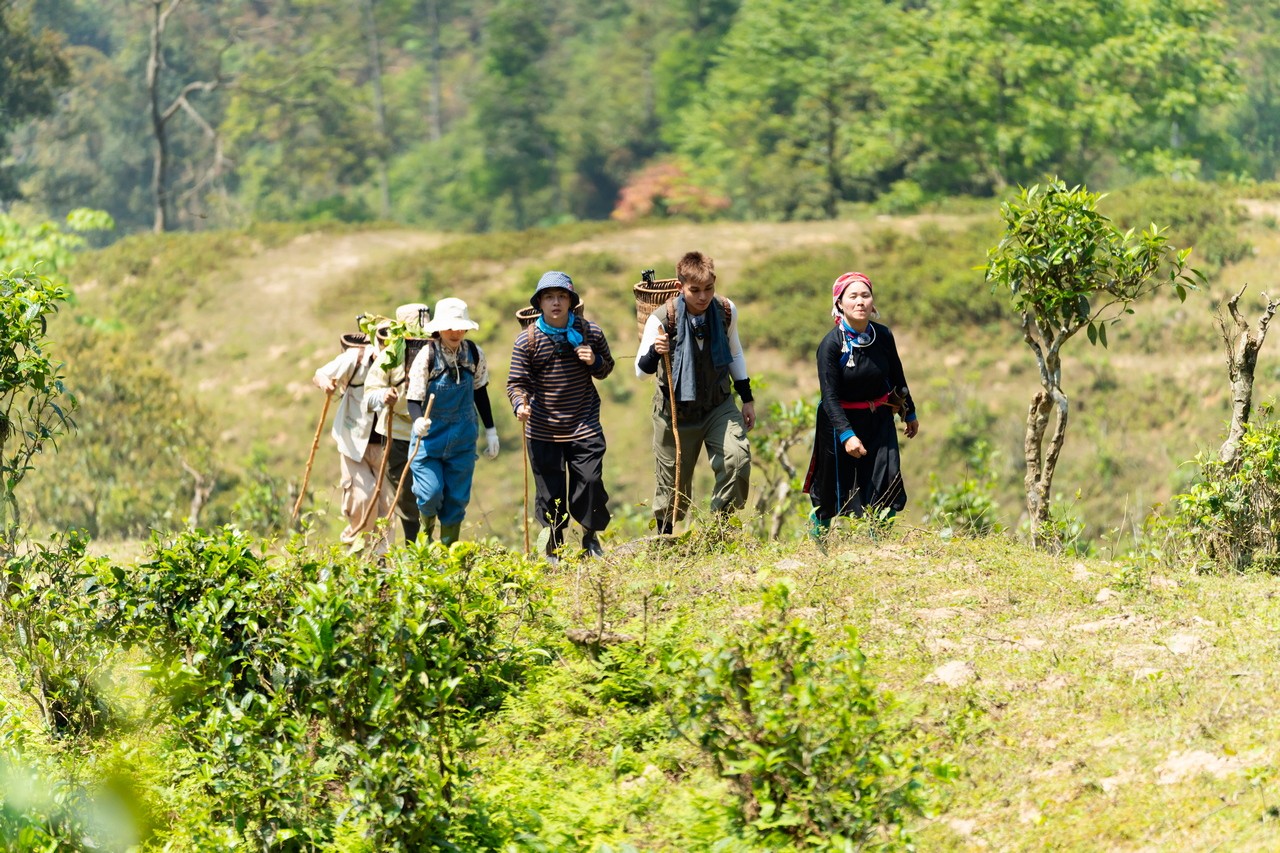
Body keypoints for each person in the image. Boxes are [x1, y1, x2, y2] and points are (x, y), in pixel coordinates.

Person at [635, 251, 755, 534]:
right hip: (675, 411)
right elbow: (641, 372)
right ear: (680, 287)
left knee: (737, 459)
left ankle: (720, 531)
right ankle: (664, 541)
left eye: (709, 288)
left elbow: (735, 353)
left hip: (717, 403)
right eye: (695, 290)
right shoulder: (662, 319)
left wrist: (747, 398)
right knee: (672, 485)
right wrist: (655, 351)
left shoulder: (725, 310)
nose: (703, 297)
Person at [507, 271, 614, 564]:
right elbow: (516, 383)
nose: (556, 302)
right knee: (550, 494)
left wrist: (594, 360)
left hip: (584, 424)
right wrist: (519, 405)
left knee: (590, 482)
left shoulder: (590, 332)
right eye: (549, 297)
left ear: (571, 301)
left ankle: (590, 538)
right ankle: (553, 548)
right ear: (539, 303)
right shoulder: (527, 340)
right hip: (543, 429)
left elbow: (606, 368)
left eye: (562, 296)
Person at [803, 271, 919, 535]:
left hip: (879, 419)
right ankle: (820, 537)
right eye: (852, 296)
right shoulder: (831, 345)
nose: (860, 302)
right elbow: (829, 397)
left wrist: (909, 412)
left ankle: (880, 539)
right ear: (839, 303)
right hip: (840, 423)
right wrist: (846, 434)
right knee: (832, 487)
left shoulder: (883, 335)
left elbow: (897, 376)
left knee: (888, 480)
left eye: (865, 295)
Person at [404, 298, 499, 545]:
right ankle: (424, 546)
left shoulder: (474, 354)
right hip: (429, 440)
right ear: (439, 328)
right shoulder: (427, 356)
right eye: (449, 327)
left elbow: (480, 392)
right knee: (430, 494)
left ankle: (449, 554)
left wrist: (491, 430)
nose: (455, 332)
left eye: (460, 327)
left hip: (462, 438)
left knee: (457, 500)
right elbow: (413, 398)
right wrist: (417, 421)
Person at [310, 325, 392, 552]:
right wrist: (326, 384)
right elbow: (320, 374)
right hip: (354, 442)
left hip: (387, 444)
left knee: (387, 507)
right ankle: (353, 546)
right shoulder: (356, 358)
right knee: (363, 498)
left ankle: (382, 561)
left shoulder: (399, 363)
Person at [363, 302, 430, 544]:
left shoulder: (439, 351)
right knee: (405, 496)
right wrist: (384, 396)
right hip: (398, 434)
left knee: (433, 492)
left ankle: (436, 544)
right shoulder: (390, 355)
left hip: (433, 433)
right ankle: (416, 548)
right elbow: (369, 396)